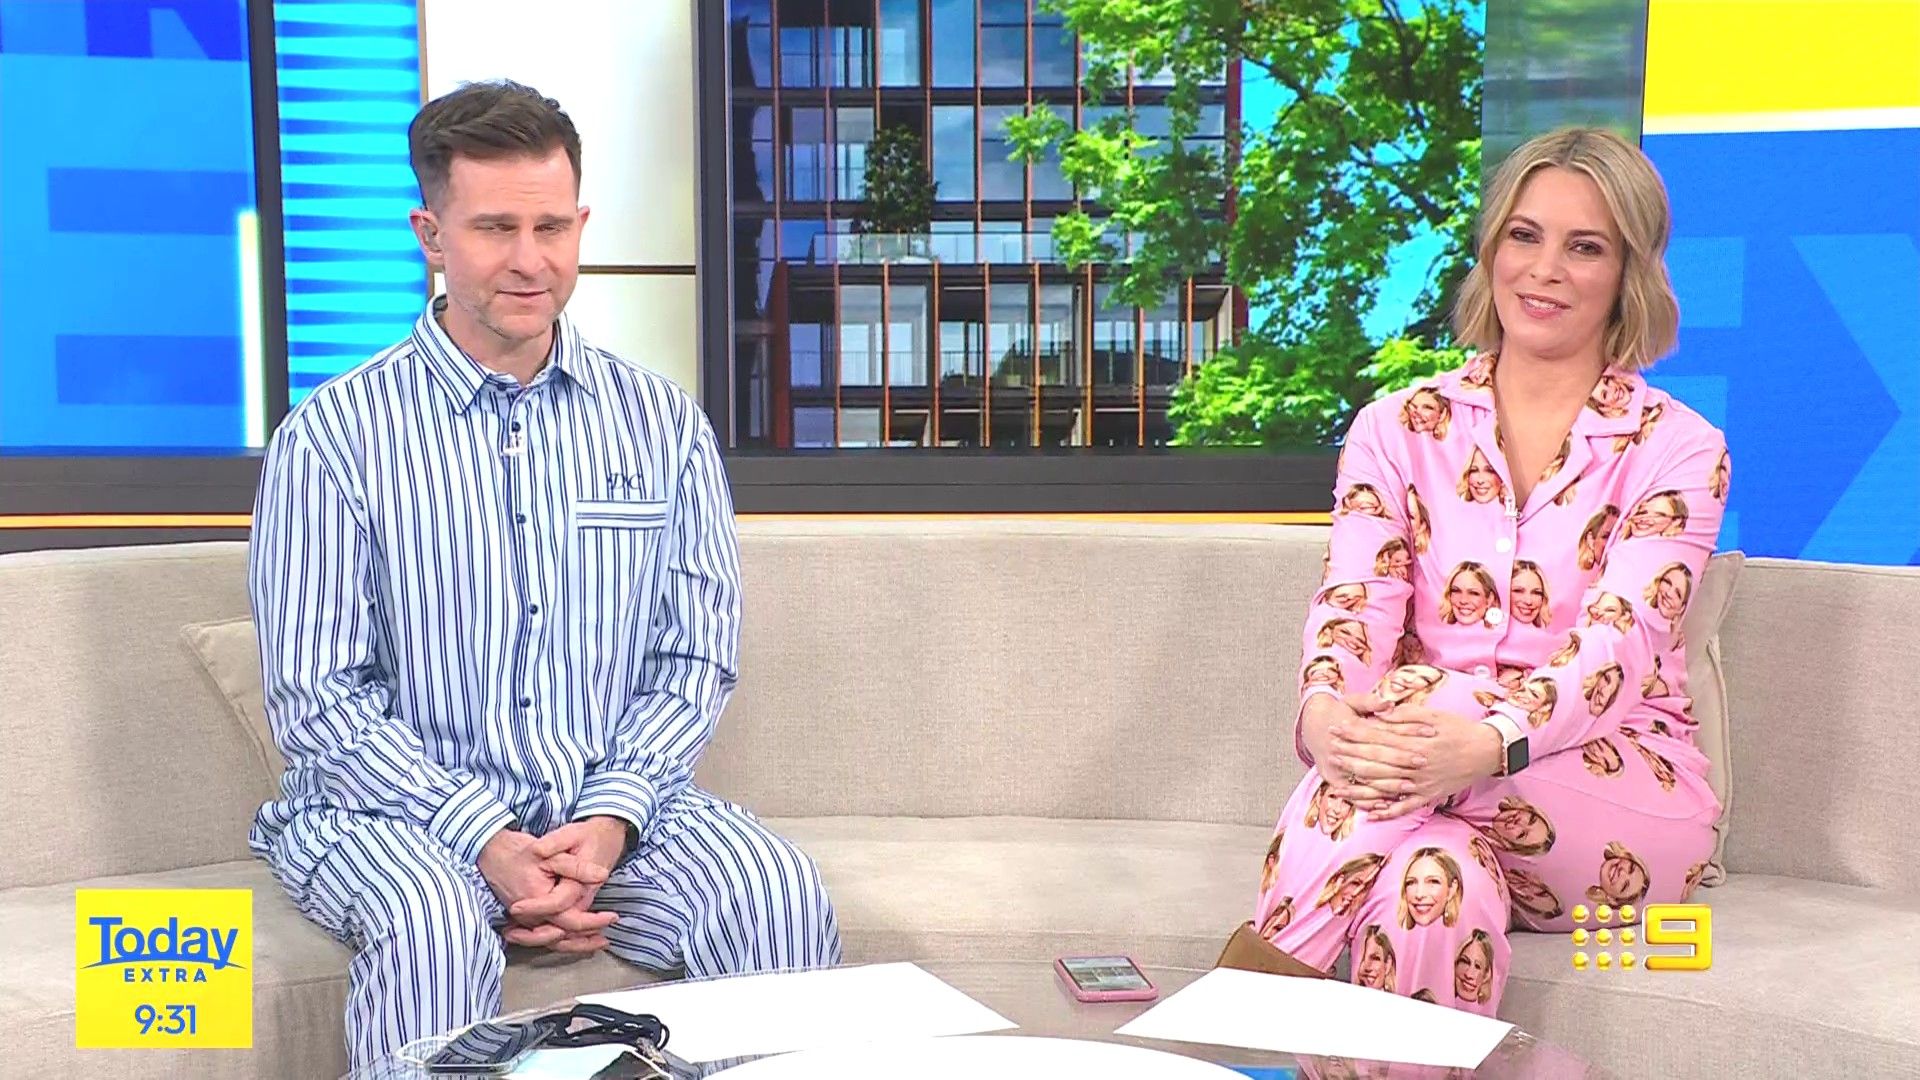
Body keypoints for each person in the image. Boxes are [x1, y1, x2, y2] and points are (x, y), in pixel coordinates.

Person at [246, 81, 842, 1067]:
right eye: (495, 228)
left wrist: (608, 821)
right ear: (432, 236)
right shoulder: (332, 437)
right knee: (433, 923)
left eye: (551, 227)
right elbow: (318, 698)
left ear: (580, 226)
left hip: (607, 808)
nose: (530, 260)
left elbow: (692, 659)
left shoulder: (660, 423)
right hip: (390, 813)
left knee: (773, 891)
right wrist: (487, 839)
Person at [1248, 127, 1726, 1017]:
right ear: (1492, 248)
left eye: (1585, 247)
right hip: (1424, 782)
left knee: (1428, 694)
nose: (1544, 269)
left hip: (1618, 793)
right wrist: (1324, 715)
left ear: (1628, 272)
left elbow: (1614, 651)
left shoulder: (1681, 449)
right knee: (1433, 884)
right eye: (1524, 235)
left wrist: (1487, 741)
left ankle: (1250, 999)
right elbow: (1355, 605)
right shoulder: (1395, 428)